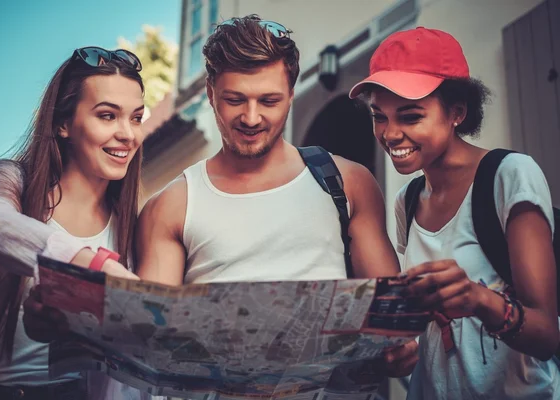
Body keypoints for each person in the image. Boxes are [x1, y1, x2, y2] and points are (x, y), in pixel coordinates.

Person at [135, 15, 417, 378]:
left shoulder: (348, 182)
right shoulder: (171, 206)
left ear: (291, 95)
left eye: (269, 100)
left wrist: (398, 349)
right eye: (235, 99)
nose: (251, 118)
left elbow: (389, 319)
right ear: (210, 93)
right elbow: (149, 342)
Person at [349, 27, 559, 399]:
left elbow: (546, 335)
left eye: (410, 116)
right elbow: (422, 333)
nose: (390, 134)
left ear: (457, 112)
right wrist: (405, 351)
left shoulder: (509, 176)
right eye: (379, 116)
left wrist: (479, 300)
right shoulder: (408, 200)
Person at [0, 46, 145, 400]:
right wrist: (88, 266)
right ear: (63, 124)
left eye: (136, 117)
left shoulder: (130, 227)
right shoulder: (13, 179)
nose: (128, 134)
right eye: (107, 116)